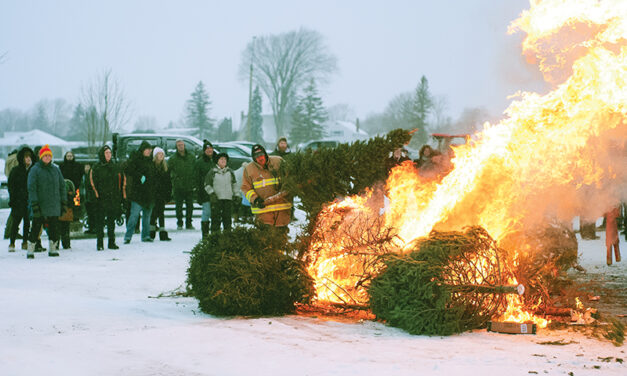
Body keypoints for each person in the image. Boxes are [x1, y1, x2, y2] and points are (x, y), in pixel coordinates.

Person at [27, 144, 66, 259]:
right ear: (41, 157)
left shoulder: (56, 169)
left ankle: (53, 249)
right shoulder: (35, 170)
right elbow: (31, 187)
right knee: (35, 227)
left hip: (54, 204)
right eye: (45, 156)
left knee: (54, 228)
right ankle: (30, 249)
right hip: (40, 204)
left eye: (49, 156)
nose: (47, 158)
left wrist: (63, 201)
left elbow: (62, 186)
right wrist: (34, 203)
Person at [241, 144, 292, 229]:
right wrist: (255, 199)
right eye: (256, 157)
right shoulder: (249, 169)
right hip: (263, 211)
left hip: (282, 210)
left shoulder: (278, 161)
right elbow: (246, 188)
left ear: (265, 154)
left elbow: (290, 177)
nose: (260, 158)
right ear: (253, 158)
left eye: (261, 155)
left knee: (281, 237)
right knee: (265, 238)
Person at [123, 141, 156, 244]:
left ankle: (145, 236)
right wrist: (139, 176)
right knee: (134, 216)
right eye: (147, 149)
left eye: (150, 150)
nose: (149, 151)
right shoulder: (136, 160)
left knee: (147, 217)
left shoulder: (151, 161)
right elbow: (128, 169)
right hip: (137, 194)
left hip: (149, 194)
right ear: (142, 150)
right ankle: (128, 236)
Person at [90, 145, 121, 250]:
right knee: (100, 222)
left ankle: (111, 242)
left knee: (111, 222)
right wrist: (96, 196)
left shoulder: (114, 166)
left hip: (112, 198)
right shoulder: (97, 167)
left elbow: (119, 182)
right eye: (106, 153)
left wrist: (118, 196)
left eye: (110, 153)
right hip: (101, 199)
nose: (108, 155)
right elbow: (92, 183)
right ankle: (100, 243)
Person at [7, 146, 34, 252]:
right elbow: (11, 186)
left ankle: (25, 242)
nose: (28, 159)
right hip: (18, 201)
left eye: (29, 157)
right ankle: (12, 242)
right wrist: (13, 199)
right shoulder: (16, 170)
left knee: (27, 223)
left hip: (28, 201)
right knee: (15, 223)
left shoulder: (32, 170)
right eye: (26, 157)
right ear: (22, 158)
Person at [204, 153, 238, 233]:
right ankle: (215, 238)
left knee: (227, 220)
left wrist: (237, 195)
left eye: (225, 159)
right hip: (217, 200)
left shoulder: (230, 172)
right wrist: (212, 194)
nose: (223, 161)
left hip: (228, 200)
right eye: (221, 159)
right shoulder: (212, 172)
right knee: (215, 220)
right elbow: (207, 184)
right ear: (217, 161)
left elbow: (234, 184)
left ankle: (227, 237)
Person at [168, 139, 196, 230]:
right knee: (178, 207)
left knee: (190, 206)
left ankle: (189, 223)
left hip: (189, 186)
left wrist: (193, 182)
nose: (181, 146)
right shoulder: (172, 158)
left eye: (182, 145)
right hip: (178, 186)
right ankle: (179, 223)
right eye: (179, 145)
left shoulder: (191, 157)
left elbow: (195, 170)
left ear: (184, 146)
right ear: (176, 146)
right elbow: (168, 171)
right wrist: (174, 179)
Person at [194, 140, 217, 239]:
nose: (209, 150)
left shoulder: (217, 160)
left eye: (210, 148)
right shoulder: (199, 162)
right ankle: (205, 234)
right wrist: (198, 192)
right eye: (207, 149)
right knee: (206, 212)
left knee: (216, 213)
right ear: (204, 151)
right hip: (205, 192)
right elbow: (196, 178)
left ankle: (215, 233)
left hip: (217, 192)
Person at [150, 147, 172, 241]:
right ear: (155, 155)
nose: (161, 156)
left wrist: (168, 194)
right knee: (153, 213)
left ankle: (163, 233)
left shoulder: (165, 168)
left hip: (161, 194)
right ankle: (151, 232)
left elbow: (168, 182)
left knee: (161, 213)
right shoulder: (150, 167)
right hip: (152, 194)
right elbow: (144, 179)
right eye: (159, 154)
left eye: (162, 154)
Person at [58, 179, 76, 249]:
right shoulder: (68, 184)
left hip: (59, 209)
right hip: (67, 209)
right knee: (65, 228)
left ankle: (56, 243)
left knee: (57, 228)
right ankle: (66, 244)